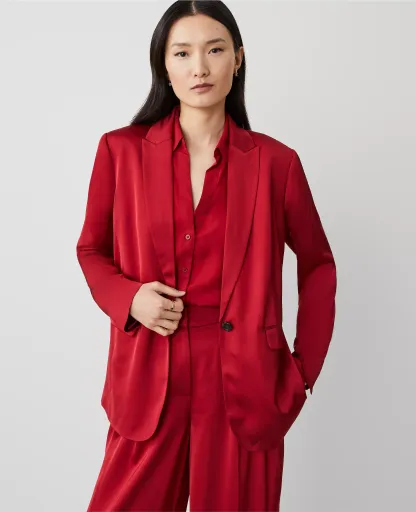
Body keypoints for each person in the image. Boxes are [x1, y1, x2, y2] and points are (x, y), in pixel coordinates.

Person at [76, 1, 337, 510]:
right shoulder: (120, 151)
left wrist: (302, 371)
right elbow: (91, 249)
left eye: (214, 50)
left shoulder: (276, 163)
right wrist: (130, 299)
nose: (199, 67)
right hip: (150, 378)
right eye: (182, 53)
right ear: (164, 64)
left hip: (247, 385)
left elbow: (318, 265)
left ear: (237, 59)